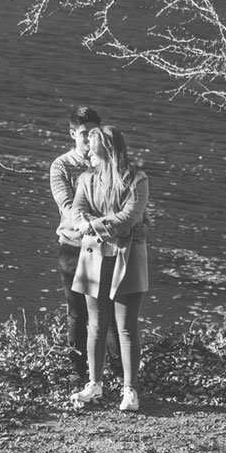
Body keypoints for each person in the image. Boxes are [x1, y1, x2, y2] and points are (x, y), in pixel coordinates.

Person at [68, 125, 149, 412]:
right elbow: (77, 211)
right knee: (96, 325)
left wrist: (93, 226)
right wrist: (99, 224)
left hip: (127, 258)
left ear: (106, 150)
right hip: (93, 258)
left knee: (126, 328)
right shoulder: (87, 179)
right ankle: (95, 384)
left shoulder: (137, 179)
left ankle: (130, 390)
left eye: (92, 147)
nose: (87, 152)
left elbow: (129, 217)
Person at [49, 106, 119, 379]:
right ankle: (78, 370)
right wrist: (99, 224)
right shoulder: (62, 166)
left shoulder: (107, 162)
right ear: (71, 134)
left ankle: (119, 371)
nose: (88, 140)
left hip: (105, 247)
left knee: (110, 313)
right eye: (82, 134)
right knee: (77, 313)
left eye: (93, 134)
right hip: (74, 247)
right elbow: (68, 207)